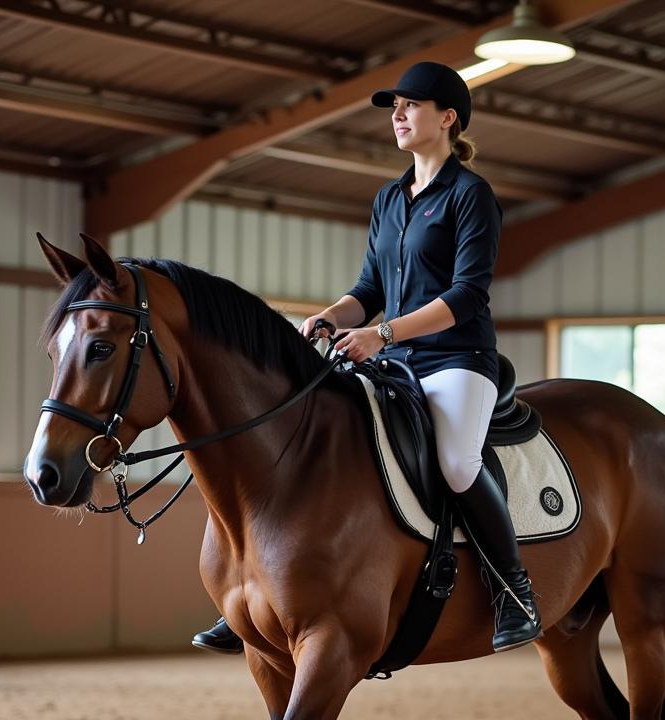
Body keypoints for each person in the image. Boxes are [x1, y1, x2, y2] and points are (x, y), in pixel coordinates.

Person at [193, 60, 541, 655]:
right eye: (394, 108)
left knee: (457, 461)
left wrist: (383, 334)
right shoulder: (389, 198)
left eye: (409, 106)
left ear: (448, 117)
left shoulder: (470, 196)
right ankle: (261, 592)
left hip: (458, 359)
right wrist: (332, 316)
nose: (397, 115)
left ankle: (514, 591)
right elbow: (369, 289)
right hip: (394, 359)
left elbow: (467, 294)